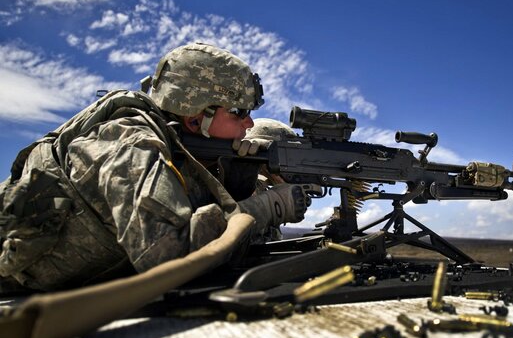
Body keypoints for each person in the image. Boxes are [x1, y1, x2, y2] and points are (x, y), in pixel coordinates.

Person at [0, 42, 315, 291]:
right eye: (238, 112)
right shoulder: (132, 145)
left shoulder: (176, 147)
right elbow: (169, 261)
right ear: (195, 117)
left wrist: (236, 184)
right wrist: (265, 207)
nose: (249, 122)